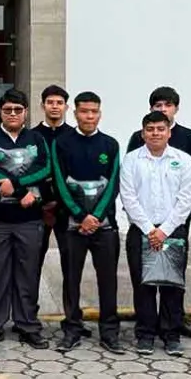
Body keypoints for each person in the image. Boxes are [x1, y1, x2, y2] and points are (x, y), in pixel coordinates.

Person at [121, 111, 191, 358]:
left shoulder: (184, 160)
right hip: (141, 230)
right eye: (150, 129)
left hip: (173, 230)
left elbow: (186, 199)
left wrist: (164, 230)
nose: (155, 133)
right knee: (142, 285)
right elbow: (128, 197)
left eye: (160, 129)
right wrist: (149, 229)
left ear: (169, 132)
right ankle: (145, 334)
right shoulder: (132, 160)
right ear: (143, 133)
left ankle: (171, 335)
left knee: (171, 286)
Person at [0, 89, 51, 350]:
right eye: (7, 109)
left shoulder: (37, 139)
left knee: (28, 272)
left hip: (29, 219)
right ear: (0, 112)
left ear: (25, 113)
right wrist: (10, 186)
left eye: (17, 110)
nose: (12, 114)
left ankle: (27, 324)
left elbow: (45, 168)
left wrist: (19, 187)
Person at [51, 92, 120, 352]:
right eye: (84, 111)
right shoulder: (62, 143)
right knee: (71, 279)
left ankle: (110, 331)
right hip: (72, 226)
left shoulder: (110, 145)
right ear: (75, 113)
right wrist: (81, 216)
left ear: (99, 113)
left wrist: (97, 217)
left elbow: (113, 183)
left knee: (108, 280)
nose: (89, 116)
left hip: (105, 227)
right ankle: (72, 328)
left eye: (94, 111)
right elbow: (59, 182)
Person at [33, 85, 76, 301]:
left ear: (66, 107)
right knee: (32, 265)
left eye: (59, 103)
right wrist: (43, 202)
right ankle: (29, 318)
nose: (55, 107)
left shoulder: (74, 136)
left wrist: (61, 202)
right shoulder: (31, 136)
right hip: (37, 210)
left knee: (70, 265)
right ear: (42, 106)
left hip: (68, 210)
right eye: (50, 102)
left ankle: (72, 318)